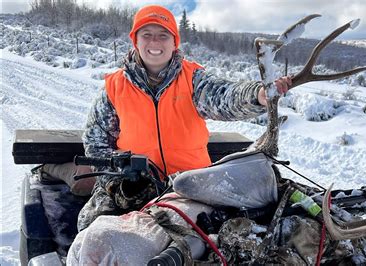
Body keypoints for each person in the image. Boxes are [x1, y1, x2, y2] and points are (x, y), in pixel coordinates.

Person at [77, 4, 292, 231]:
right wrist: (116, 182)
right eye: (147, 35)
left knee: (228, 236)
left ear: (174, 42)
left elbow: (223, 96)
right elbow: (96, 142)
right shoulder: (115, 87)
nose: (155, 43)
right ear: (135, 41)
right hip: (134, 185)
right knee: (89, 226)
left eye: (163, 36)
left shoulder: (193, 80)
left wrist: (257, 95)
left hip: (193, 184)